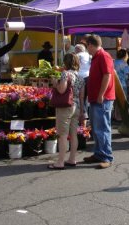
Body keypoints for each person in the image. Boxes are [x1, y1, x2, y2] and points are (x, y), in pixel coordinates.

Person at [83, 35, 115, 169]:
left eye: (87, 46)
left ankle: (106, 156)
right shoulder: (97, 56)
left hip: (103, 98)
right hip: (97, 97)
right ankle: (99, 153)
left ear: (90, 45)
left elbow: (107, 75)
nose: (87, 49)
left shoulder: (103, 56)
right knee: (97, 129)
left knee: (102, 128)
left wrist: (101, 94)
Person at [47, 53, 85, 170]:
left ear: (66, 62)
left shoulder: (65, 74)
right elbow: (81, 96)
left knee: (62, 135)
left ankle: (60, 162)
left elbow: (62, 90)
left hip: (65, 107)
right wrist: (82, 111)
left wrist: (55, 84)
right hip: (77, 106)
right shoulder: (80, 77)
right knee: (73, 134)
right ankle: (72, 159)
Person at [75, 43, 91, 117]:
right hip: (88, 77)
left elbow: (74, 66)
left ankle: (83, 115)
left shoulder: (77, 55)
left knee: (81, 98)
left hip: (80, 77)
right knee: (86, 97)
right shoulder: (89, 55)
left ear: (78, 49)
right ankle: (86, 115)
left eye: (75, 50)